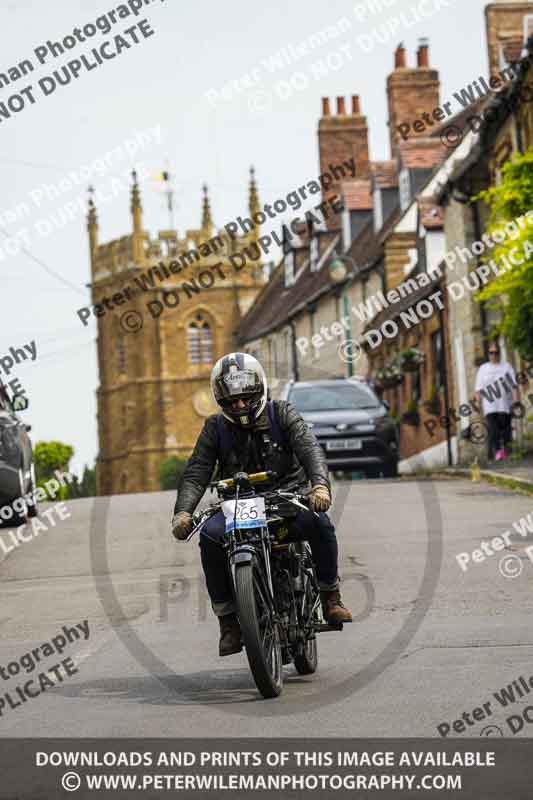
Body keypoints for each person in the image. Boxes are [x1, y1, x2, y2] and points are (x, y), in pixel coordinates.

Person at [171, 352, 352, 656]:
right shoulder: (215, 427)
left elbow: (310, 450)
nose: (240, 405)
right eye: (232, 401)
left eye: (246, 398)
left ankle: (331, 596)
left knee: (320, 523)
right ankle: (228, 621)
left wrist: (319, 486)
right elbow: (197, 471)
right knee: (210, 537)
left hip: (288, 498)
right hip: (238, 504)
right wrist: (183, 512)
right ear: (221, 400)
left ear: (260, 390)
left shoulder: (283, 413)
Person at [474, 341, 519, 461]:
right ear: (488, 354)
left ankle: (506, 453)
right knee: (494, 431)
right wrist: (478, 403)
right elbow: (478, 389)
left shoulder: (506, 367)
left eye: (495, 352)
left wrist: (515, 402)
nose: (493, 355)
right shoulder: (483, 368)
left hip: (505, 405)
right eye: (491, 353)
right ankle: (498, 452)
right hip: (490, 407)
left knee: (506, 432)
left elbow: (514, 386)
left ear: (499, 353)